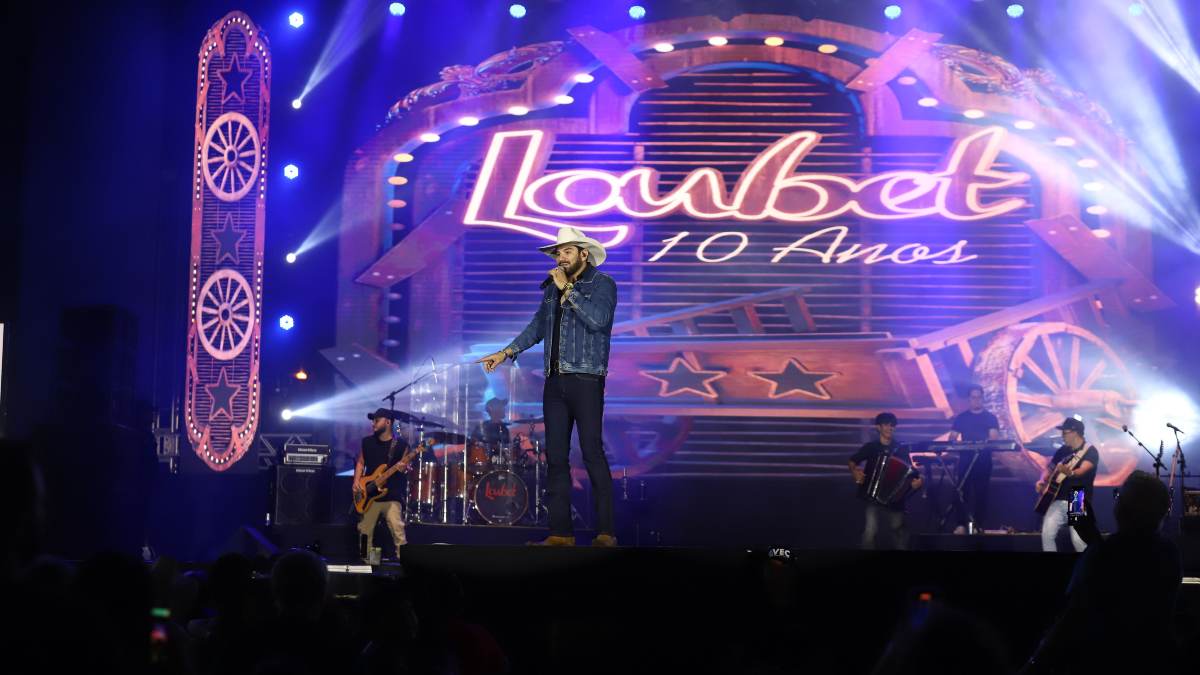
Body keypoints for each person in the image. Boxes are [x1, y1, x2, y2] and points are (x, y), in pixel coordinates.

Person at [477, 227, 619, 547]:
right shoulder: (552, 291)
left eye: (566, 251)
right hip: (554, 381)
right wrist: (507, 352)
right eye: (557, 252)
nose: (560, 257)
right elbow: (538, 326)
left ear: (584, 253)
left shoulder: (603, 284)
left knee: (592, 452)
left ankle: (606, 532)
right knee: (555, 457)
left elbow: (598, 320)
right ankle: (560, 533)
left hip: (585, 379)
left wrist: (568, 289)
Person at [1023, 471, 1182, 674]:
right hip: (1156, 660)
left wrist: (1032, 666)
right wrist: (1095, 542)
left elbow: (1073, 616)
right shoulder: (1169, 552)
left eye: (1118, 496)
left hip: (1100, 661)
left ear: (1122, 508)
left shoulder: (1103, 554)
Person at [848, 412, 923, 550]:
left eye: (892, 425)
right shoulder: (871, 447)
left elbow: (910, 472)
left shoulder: (900, 448)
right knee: (870, 531)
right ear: (878, 427)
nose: (890, 428)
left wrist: (916, 483)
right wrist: (855, 472)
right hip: (873, 496)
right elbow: (852, 461)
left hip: (895, 499)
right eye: (886, 425)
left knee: (898, 531)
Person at [353, 408, 418, 559]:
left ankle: (405, 562)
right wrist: (356, 481)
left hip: (392, 495)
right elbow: (361, 463)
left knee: (398, 529)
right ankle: (367, 562)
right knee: (364, 530)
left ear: (388, 422)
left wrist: (404, 468)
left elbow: (407, 467)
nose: (373, 424)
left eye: (376, 420)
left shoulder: (401, 445)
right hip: (368, 495)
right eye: (373, 420)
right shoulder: (367, 442)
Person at [1036, 417, 1098, 552]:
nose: (1062, 435)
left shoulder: (1090, 451)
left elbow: (1082, 470)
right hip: (1057, 498)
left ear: (1074, 433)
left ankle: (1086, 568)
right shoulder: (1063, 450)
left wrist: (1070, 473)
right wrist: (1042, 480)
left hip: (1077, 497)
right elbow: (1048, 468)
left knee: (1078, 540)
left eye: (1064, 432)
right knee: (1047, 534)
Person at [948, 384, 1001, 533]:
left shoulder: (990, 418)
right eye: (973, 397)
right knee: (961, 491)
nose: (976, 400)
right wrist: (957, 443)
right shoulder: (961, 418)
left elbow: (994, 438)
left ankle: (978, 525)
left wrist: (983, 443)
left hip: (983, 461)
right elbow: (951, 437)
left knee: (981, 492)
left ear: (982, 399)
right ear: (969, 399)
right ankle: (960, 524)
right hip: (965, 460)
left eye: (979, 397)